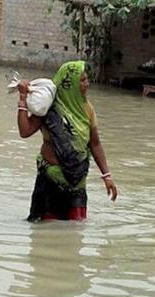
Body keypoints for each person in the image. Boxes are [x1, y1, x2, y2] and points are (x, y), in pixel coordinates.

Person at [17, 61, 118, 221]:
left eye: (86, 80)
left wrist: (107, 176)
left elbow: (95, 144)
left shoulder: (87, 109)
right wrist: (23, 99)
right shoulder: (49, 107)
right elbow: (25, 131)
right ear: (69, 84)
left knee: (76, 231)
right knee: (46, 235)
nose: (87, 84)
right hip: (50, 180)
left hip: (77, 183)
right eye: (82, 80)